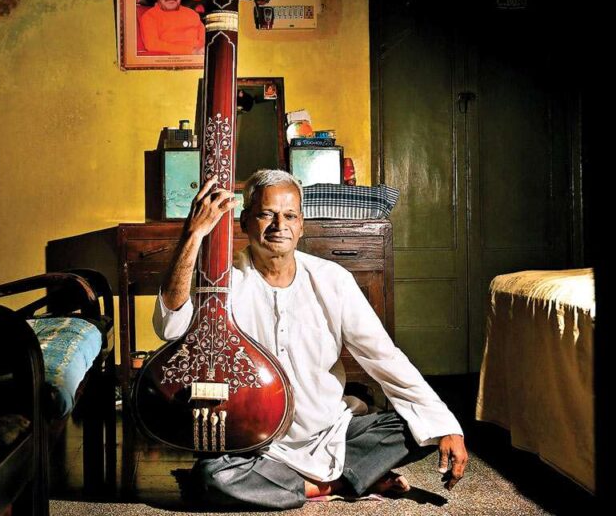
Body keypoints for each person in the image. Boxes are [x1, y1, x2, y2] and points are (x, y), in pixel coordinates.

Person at [154, 169, 469, 509]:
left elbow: (384, 358)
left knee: (419, 423)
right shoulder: (224, 282)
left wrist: (446, 425)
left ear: (302, 225)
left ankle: (308, 483)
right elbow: (170, 327)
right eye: (266, 214)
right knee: (214, 477)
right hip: (257, 443)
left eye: (290, 215)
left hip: (330, 430)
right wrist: (193, 234)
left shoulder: (332, 280)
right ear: (244, 221)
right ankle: (340, 482)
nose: (279, 225)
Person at [139, 0, 204, 55]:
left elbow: (205, 41)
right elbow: (153, 45)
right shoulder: (149, 16)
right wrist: (191, 51)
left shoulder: (192, 14)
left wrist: (201, 51)